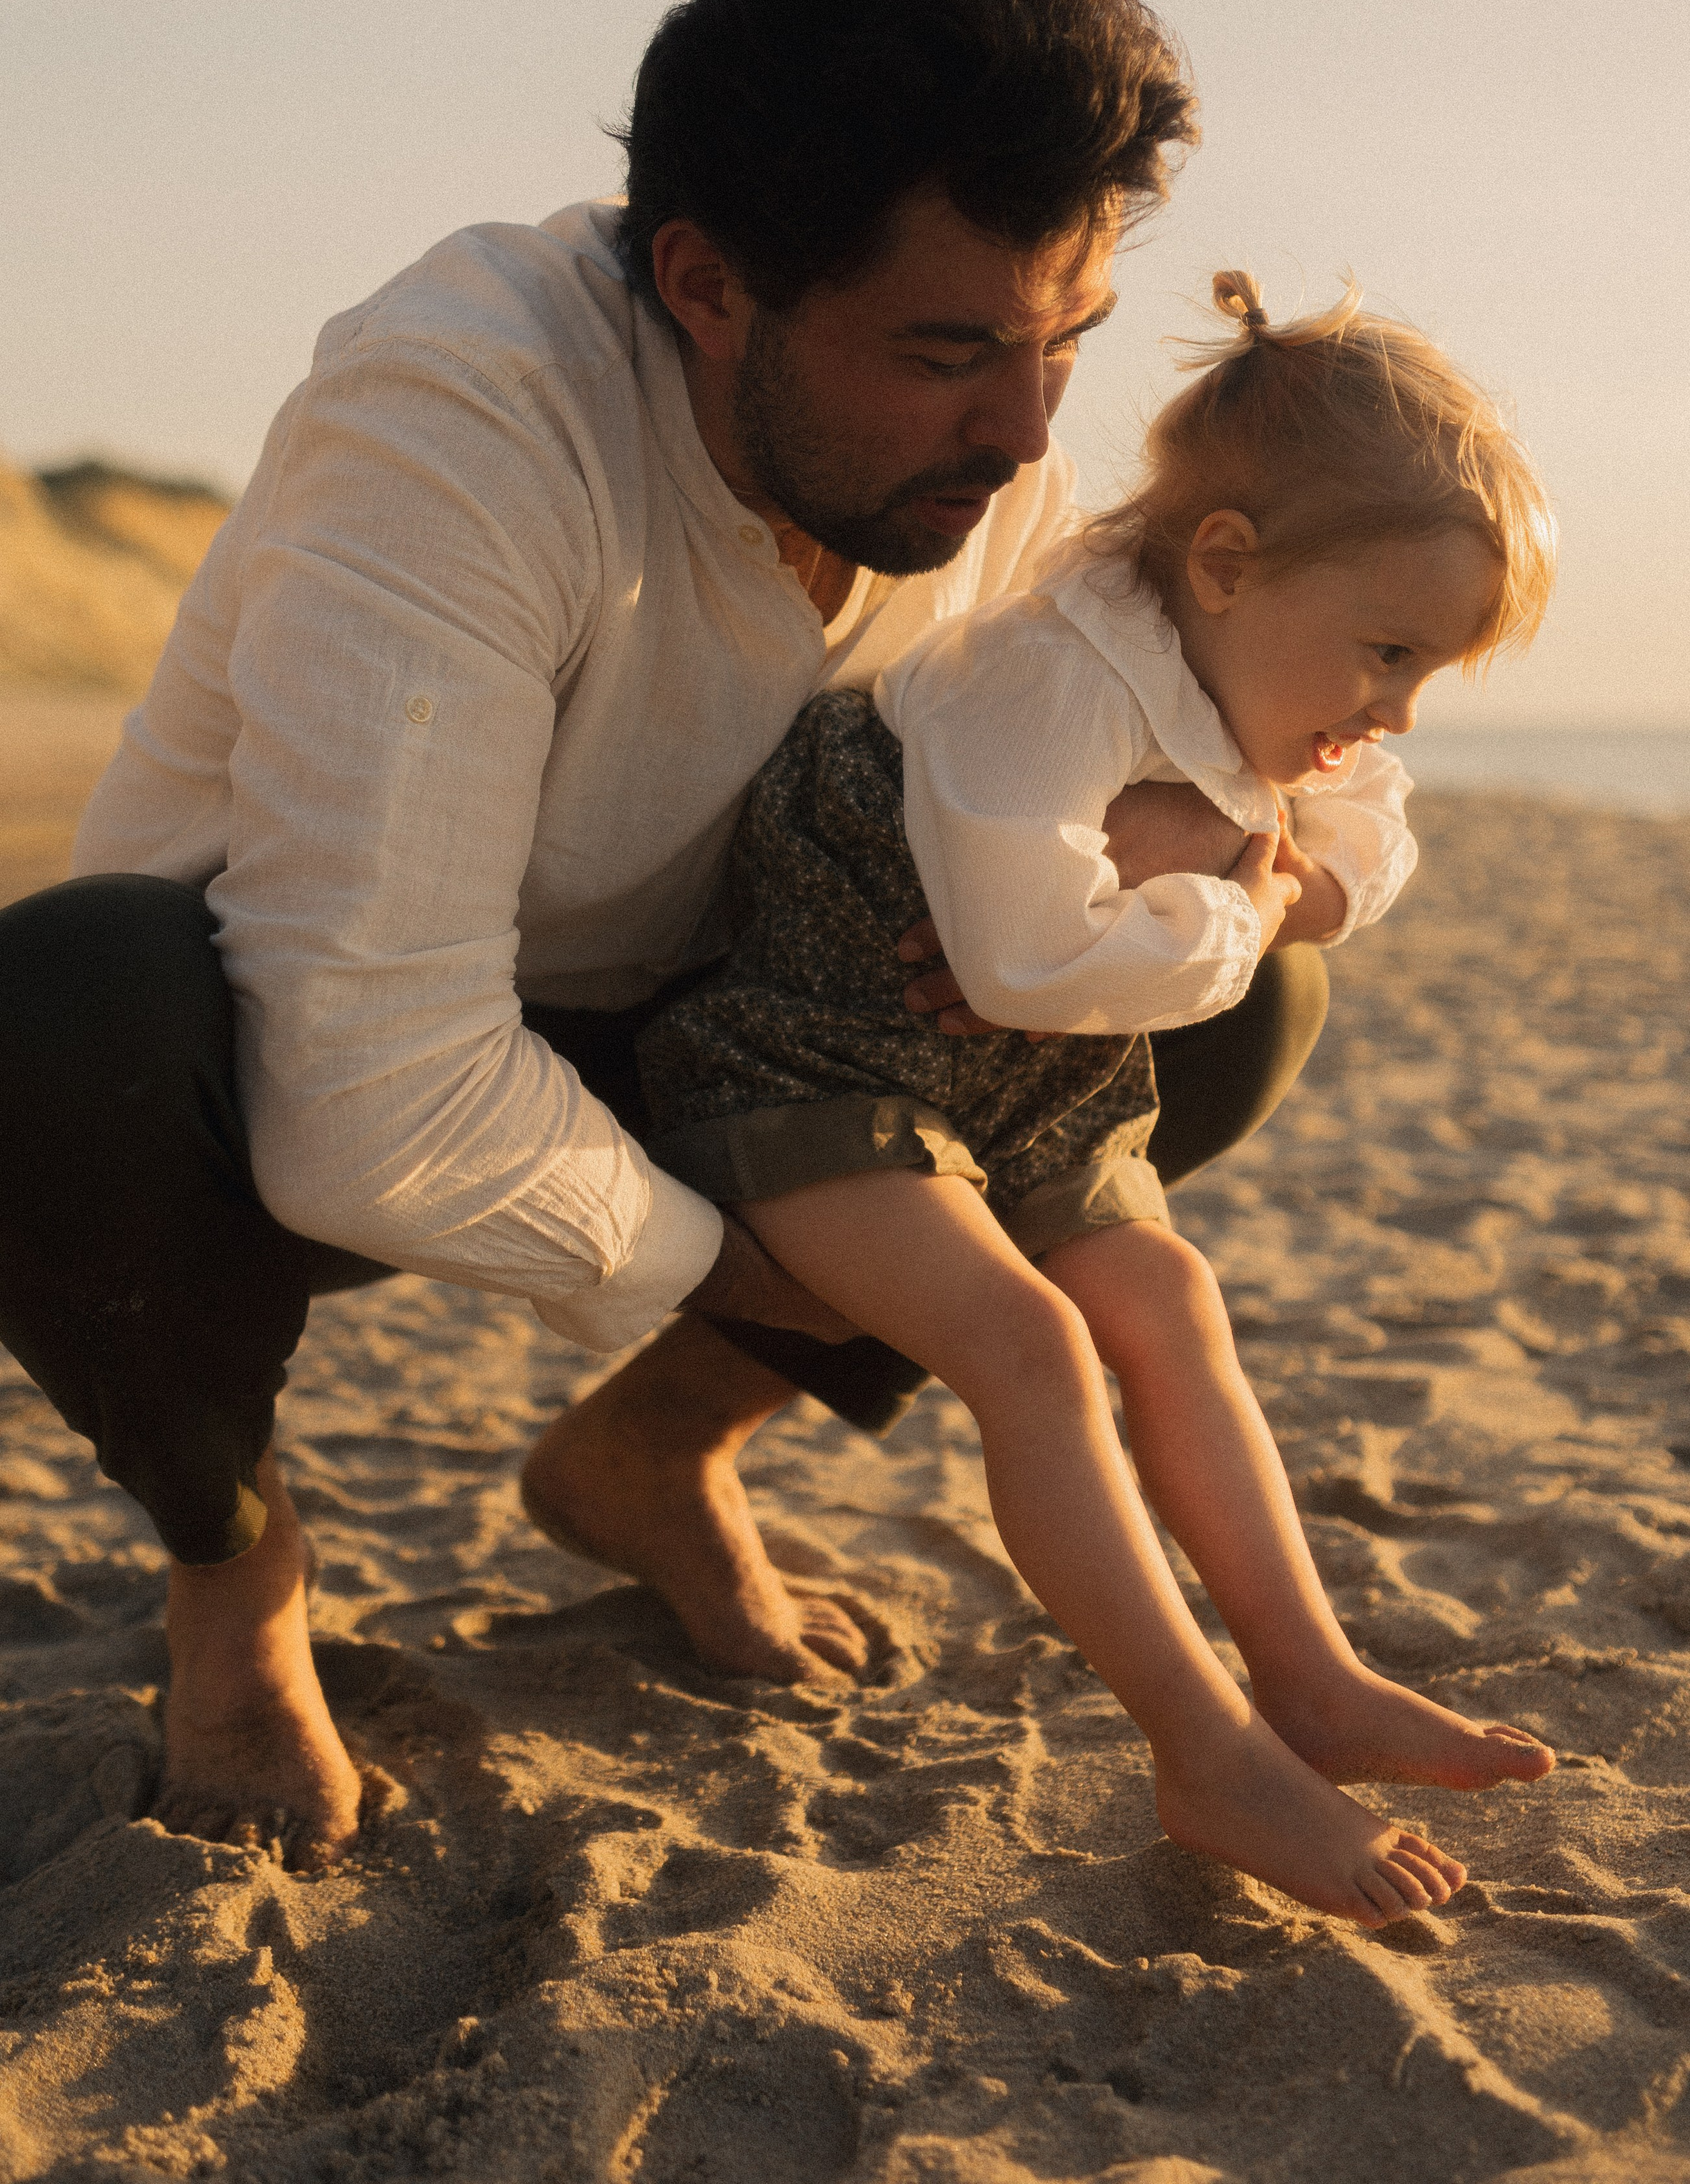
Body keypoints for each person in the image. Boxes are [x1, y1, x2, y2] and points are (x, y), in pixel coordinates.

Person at [0, 0, 1324, 1874]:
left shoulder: (989, 465)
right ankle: (237, 1573)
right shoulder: (464, 414)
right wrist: (831, 1258)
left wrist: (1238, 840)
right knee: (44, 1016)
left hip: (707, 1017)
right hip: (247, 1053)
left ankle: (649, 1456)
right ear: (704, 283)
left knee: (1221, 994)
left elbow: (1231, 753)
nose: (1024, 435)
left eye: (1067, 343)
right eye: (945, 353)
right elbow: (371, 1097)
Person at [632, 270, 1560, 1927]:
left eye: (1424, 670)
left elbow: (1367, 831)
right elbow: (1020, 964)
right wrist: (1234, 894)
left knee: (1168, 1297)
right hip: (812, 1057)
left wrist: (1248, 870)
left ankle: (1309, 1674)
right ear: (1223, 561)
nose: (1393, 709)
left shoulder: (1252, 653)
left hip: (1009, 1095)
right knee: (1034, 1349)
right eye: (1386, 652)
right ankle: (1202, 1748)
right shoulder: (1047, 675)